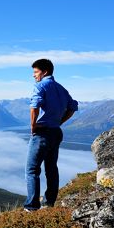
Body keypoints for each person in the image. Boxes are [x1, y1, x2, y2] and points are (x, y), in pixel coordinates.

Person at [24, 58, 78, 212]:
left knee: (32, 170)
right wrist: (60, 121)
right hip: (56, 132)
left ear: (45, 71)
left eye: (35, 72)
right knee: (51, 168)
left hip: (42, 133)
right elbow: (73, 107)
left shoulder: (40, 86)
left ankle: (32, 206)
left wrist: (33, 126)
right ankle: (49, 203)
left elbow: (34, 106)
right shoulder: (61, 88)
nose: (34, 75)